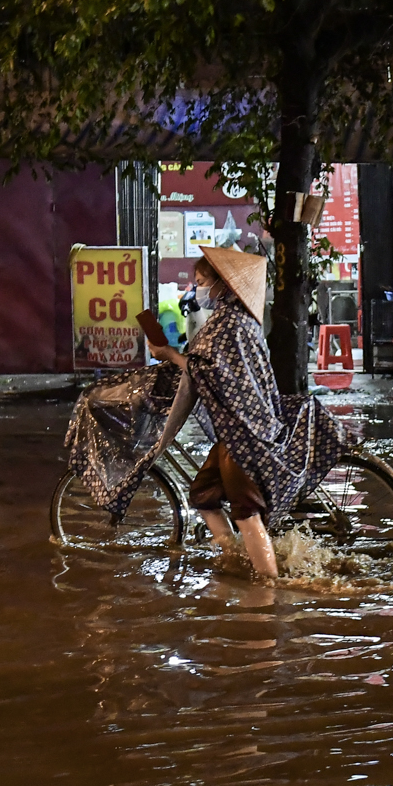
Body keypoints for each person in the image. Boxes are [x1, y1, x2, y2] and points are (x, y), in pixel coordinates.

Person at [143, 247, 346, 578]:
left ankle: (268, 588)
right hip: (235, 431)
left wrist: (169, 354)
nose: (197, 291)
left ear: (222, 284)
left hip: (244, 434)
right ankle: (234, 557)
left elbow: (208, 371)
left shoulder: (228, 324)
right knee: (203, 495)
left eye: (201, 282)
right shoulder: (237, 320)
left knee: (246, 514)